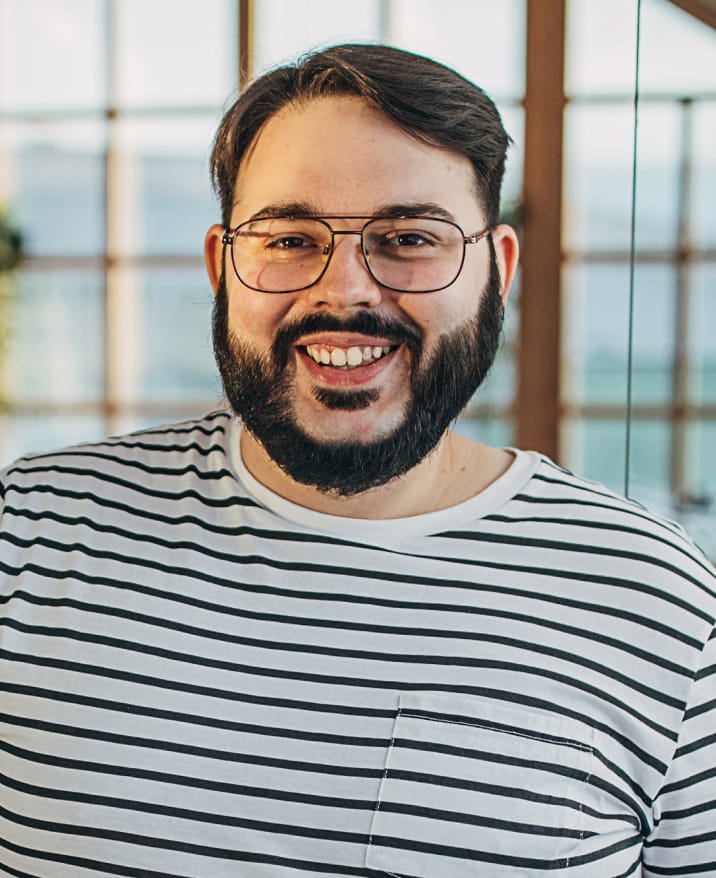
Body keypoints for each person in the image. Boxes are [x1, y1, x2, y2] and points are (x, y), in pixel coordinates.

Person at [0, 43, 714, 878]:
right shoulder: (26, 532)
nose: (344, 291)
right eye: (290, 238)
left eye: (409, 236)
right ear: (221, 267)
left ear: (499, 270)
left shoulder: (655, 597)